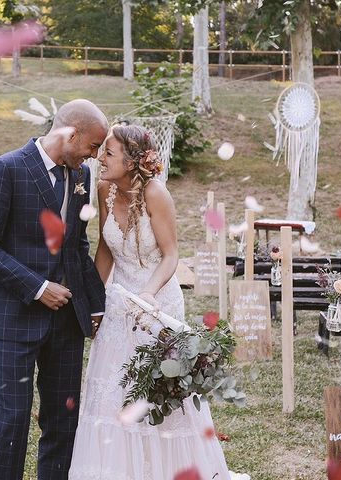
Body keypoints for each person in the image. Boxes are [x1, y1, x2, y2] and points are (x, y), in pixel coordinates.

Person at [69, 124, 231, 480]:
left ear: (131, 161)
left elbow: (172, 256)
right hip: (118, 306)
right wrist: (93, 300)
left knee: (159, 399)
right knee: (113, 395)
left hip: (158, 306)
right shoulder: (104, 189)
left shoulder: (157, 194)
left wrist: (148, 295)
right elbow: (105, 249)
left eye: (108, 153)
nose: (99, 157)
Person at [0, 99, 108, 480]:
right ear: (71, 134)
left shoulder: (81, 176)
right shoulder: (6, 168)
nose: (95, 157)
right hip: (14, 318)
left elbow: (77, 245)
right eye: (93, 147)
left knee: (63, 422)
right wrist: (38, 287)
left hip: (66, 323)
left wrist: (95, 306)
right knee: (12, 423)